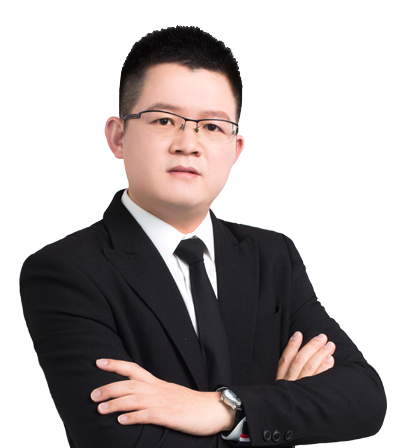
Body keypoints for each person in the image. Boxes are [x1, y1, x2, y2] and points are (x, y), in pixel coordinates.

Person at [20, 25, 386, 447]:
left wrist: (222, 408)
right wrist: (273, 410)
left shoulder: (272, 257)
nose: (188, 143)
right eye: (164, 120)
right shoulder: (65, 271)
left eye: (212, 126)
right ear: (118, 137)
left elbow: (364, 399)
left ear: (236, 149)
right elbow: (121, 441)